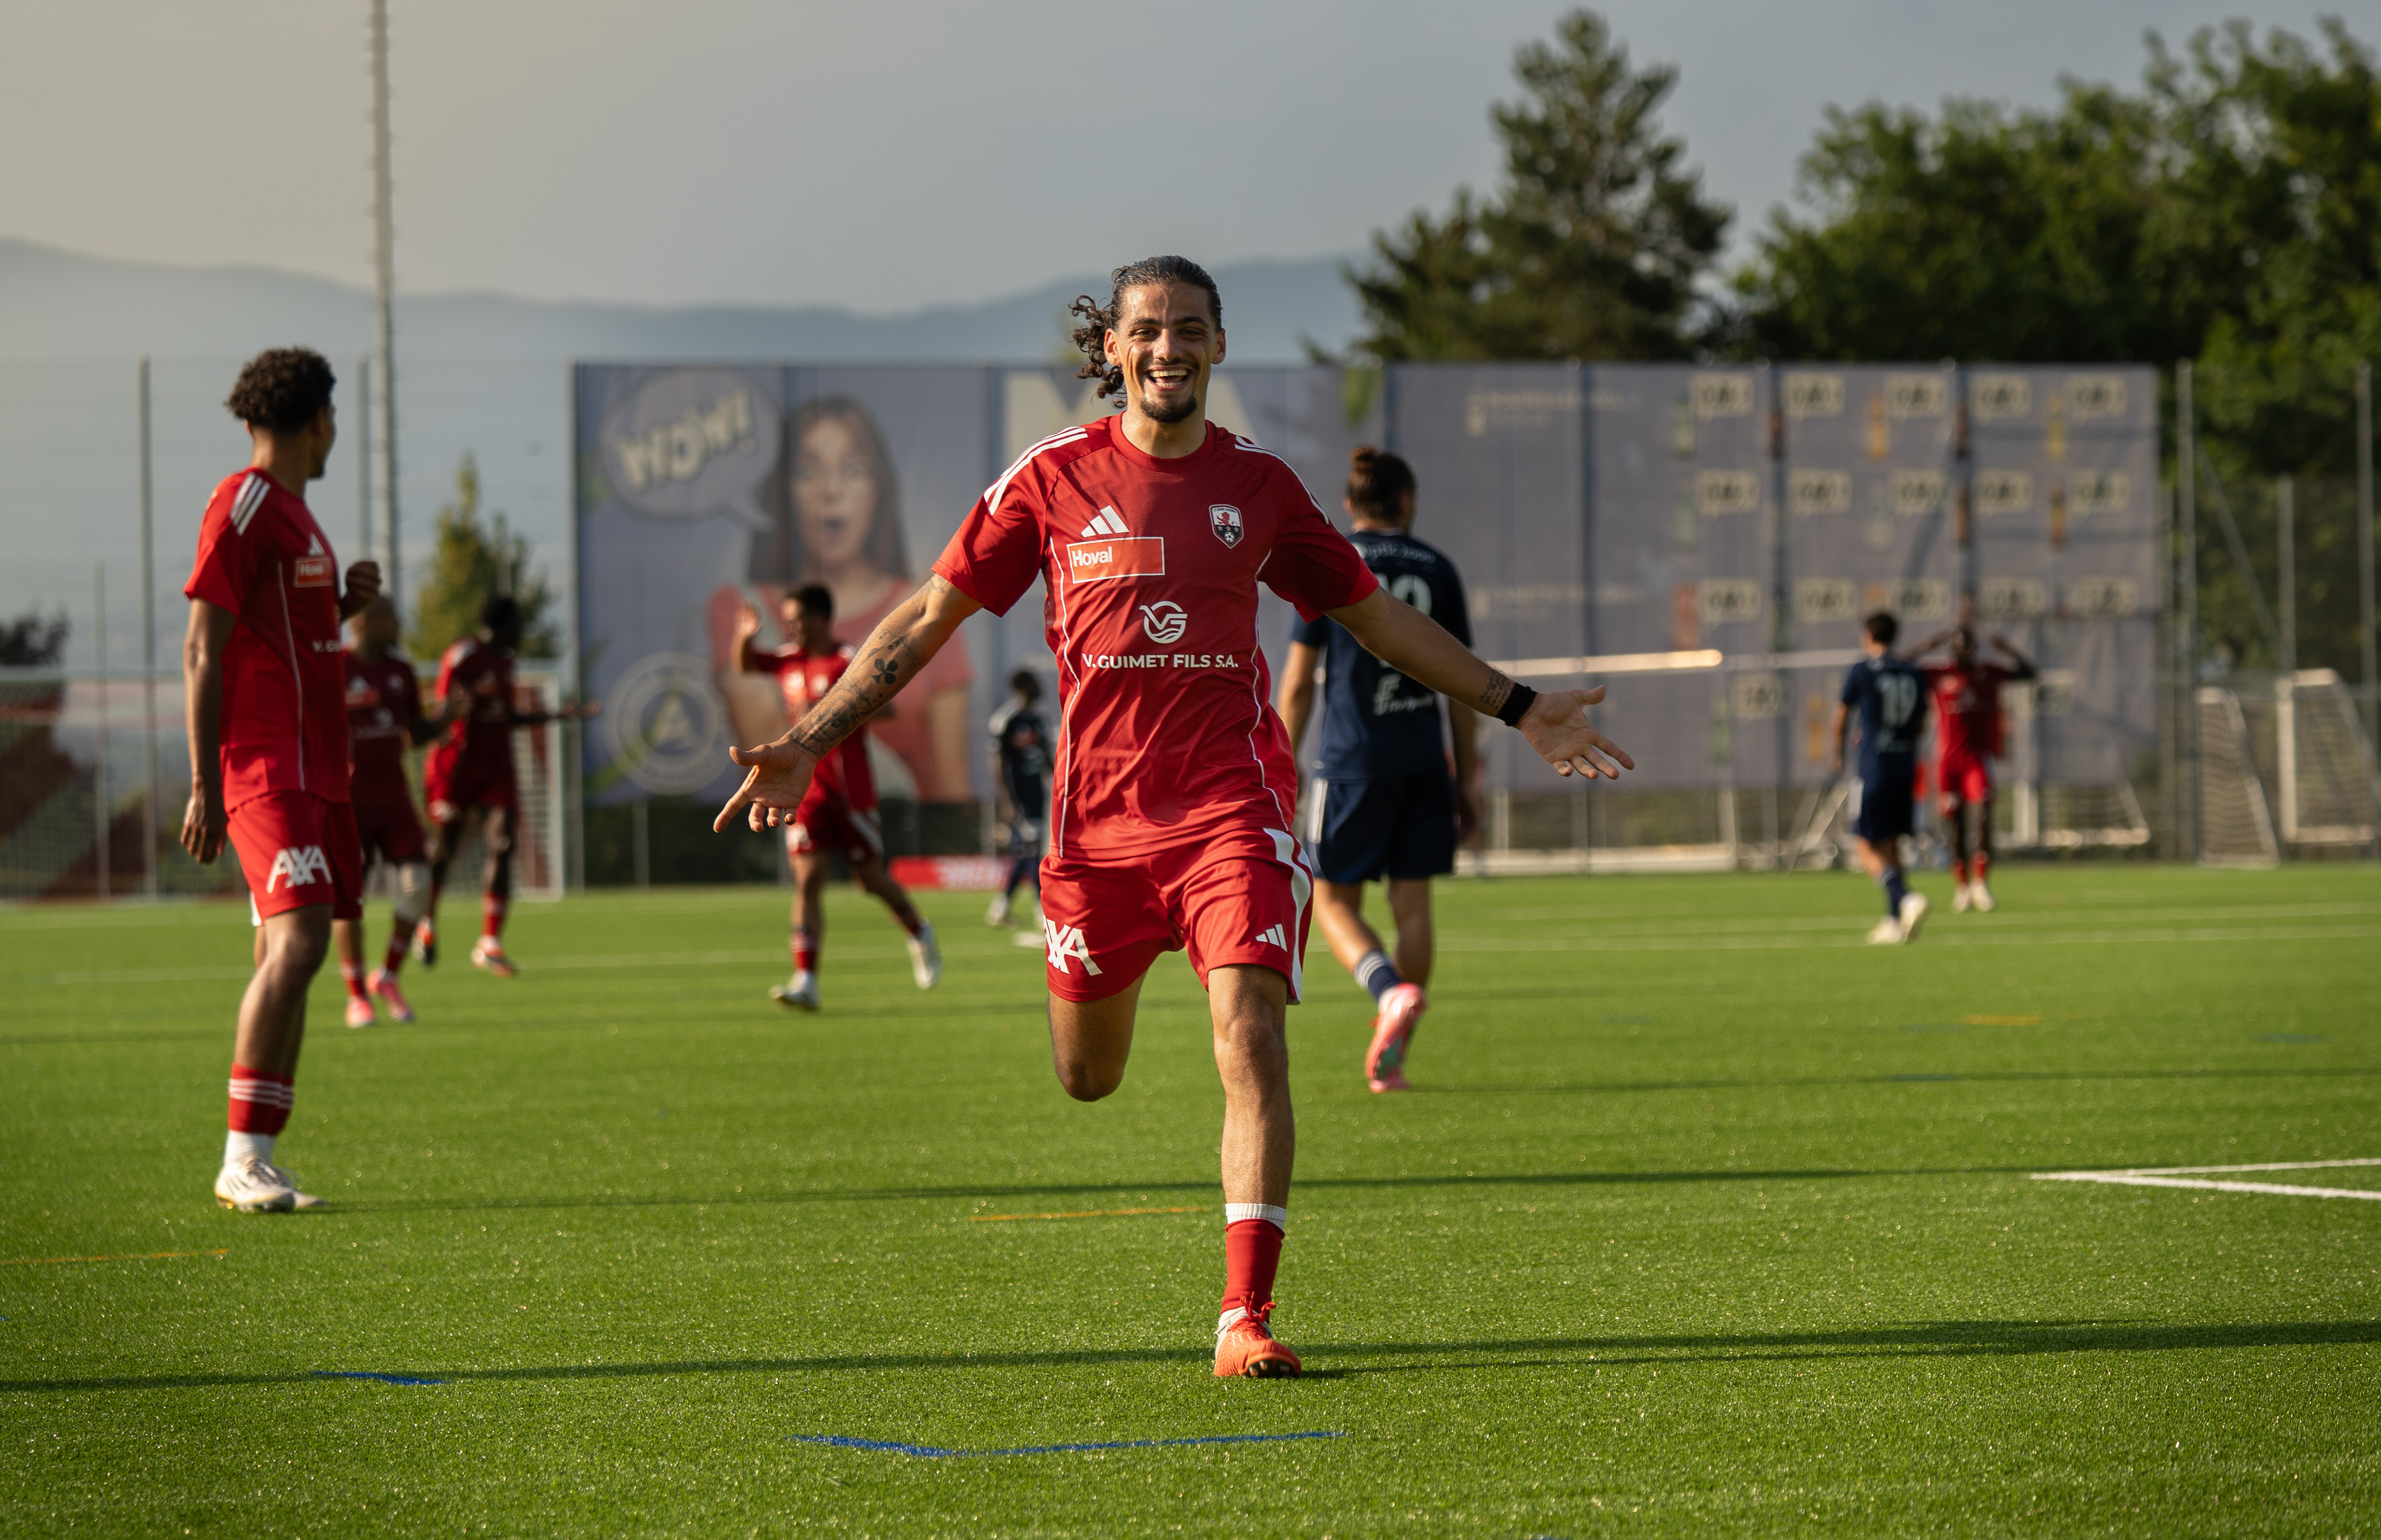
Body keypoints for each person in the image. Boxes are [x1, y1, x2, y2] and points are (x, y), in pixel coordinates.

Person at [712, 256, 1632, 1379]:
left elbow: (1380, 620)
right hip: (1092, 834)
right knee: (1086, 1076)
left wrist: (1522, 705)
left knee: (1251, 1035)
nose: (1168, 348)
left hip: (1229, 810)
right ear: (1113, 349)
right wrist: (808, 743)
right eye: (1147, 329)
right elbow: (926, 615)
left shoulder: (1265, 488)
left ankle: (1243, 1313)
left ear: (1219, 346)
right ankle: (1106, 1000)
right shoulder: (1048, 480)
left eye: (1190, 329)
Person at [181, 347, 379, 1213]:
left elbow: (285, 638)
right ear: (317, 420)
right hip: (266, 767)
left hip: (316, 772)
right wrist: (202, 782)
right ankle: (240, 1158)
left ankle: (260, 1156)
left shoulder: (298, 518)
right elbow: (202, 646)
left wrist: (343, 607)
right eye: (333, 419)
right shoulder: (248, 502)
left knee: (286, 951)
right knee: (301, 945)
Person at [1275, 447, 1479, 1094]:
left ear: (1350, 506)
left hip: (1353, 760)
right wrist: (1466, 776)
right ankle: (1399, 1052)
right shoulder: (1439, 568)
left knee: (1332, 899)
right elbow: (1464, 684)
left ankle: (1388, 993)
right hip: (1424, 761)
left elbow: (1300, 682)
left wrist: (1281, 762)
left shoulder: (1330, 561)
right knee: (1412, 908)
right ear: (1407, 502)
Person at [711, 397, 975, 803]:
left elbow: (952, 785)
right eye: (808, 470)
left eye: (853, 469)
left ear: (879, 488)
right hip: (798, 815)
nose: (831, 491)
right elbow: (755, 708)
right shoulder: (745, 612)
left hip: (889, 823)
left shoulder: (928, 612)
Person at [734, 584, 942, 1010]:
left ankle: (919, 931)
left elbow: (888, 704)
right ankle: (806, 979)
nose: (790, 625)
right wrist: (745, 634)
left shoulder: (847, 660)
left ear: (820, 618)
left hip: (852, 790)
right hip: (804, 791)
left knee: (870, 880)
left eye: (797, 618)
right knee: (808, 881)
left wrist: (836, 705)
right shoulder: (790, 659)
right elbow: (746, 663)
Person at [417, 595, 595, 976]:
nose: (523, 630)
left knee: (504, 842)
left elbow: (507, 716)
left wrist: (558, 715)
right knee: (443, 850)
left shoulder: (506, 662)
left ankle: (489, 943)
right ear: (502, 624)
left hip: (497, 768)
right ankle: (426, 921)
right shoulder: (463, 655)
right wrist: (453, 712)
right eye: (519, 622)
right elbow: (442, 708)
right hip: (456, 769)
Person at [335, 596, 445, 1026]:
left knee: (418, 885)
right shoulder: (335, 668)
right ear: (366, 621)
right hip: (347, 803)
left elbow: (415, 733)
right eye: (392, 616)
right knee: (349, 903)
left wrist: (447, 718)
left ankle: (389, 977)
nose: (399, 623)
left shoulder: (400, 671)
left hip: (395, 800)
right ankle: (356, 996)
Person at [1912, 624, 2037, 913]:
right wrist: (1927, 644)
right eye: (1960, 644)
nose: (1966, 649)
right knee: (1954, 823)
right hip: (1947, 761)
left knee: (1983, 816)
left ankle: (1981, 884)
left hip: (1977, 760)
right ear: (1952, 647)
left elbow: (2031, 674)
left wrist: (2010, 651)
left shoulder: (1989, 673)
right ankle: (1962, 887)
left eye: (1970, 644)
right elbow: (1901, 666)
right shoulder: (1938, 674)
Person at [1831, 611, 1930, 945]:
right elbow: (1921, 725)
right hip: (1906, 766)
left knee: (1864, 844)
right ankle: (1893, 921)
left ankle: (1905, 897)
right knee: (1891, 844)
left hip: (1875, 766)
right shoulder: (1913, 672)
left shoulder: (1861, 670)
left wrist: (1839, 753)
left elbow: (1842, 714)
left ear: (1868, 637)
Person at [985, 669, 1052, 933]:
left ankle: (1000, 908)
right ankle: (1039, 910)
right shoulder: (1005, 720)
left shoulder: (1038, 720)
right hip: (1019, 797)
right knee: (1031, 851)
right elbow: (998, 765)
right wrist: (1007, 803)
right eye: (1034, 684)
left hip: (1038, 795)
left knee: (1026, 852)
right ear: (1023, 687)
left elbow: (1047, 758)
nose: (1039, 688)